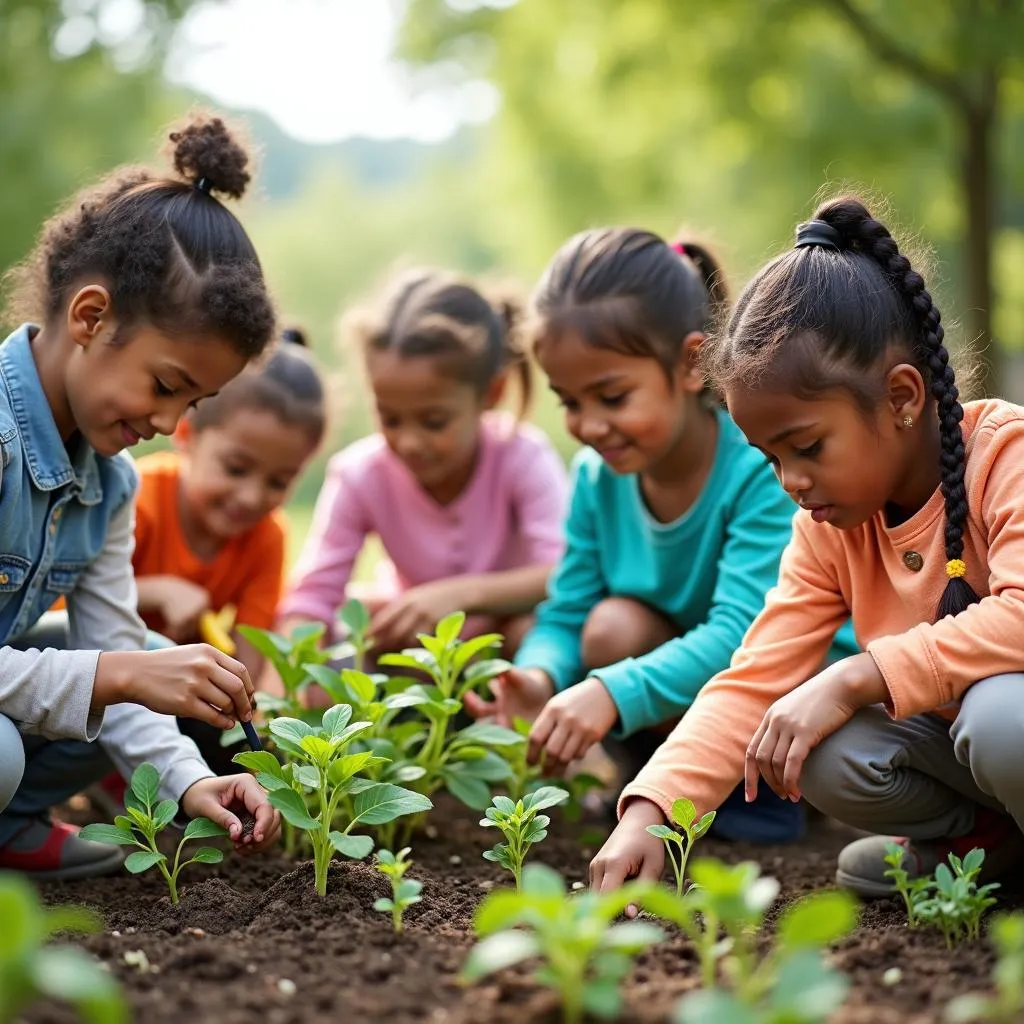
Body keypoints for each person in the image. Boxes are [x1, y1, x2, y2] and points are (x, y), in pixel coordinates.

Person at [591, 196, 1024, 900]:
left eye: (808, 447)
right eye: (770, 458)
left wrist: (855, 676)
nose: (792, 481)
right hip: (966, 754)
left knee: (1004, 717)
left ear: (903, 397)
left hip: (1007, 723)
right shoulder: (829, 525)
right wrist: (653, 810)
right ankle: (989, 845)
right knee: (811, 742)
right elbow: (755, 675)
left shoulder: (1004, 455)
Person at [467, 229, 853, 843]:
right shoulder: (598, 478)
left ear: (690, 365)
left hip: (793, 689)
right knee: (610, 626)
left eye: (612, 396)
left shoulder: (758, 466)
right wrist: (537, 676)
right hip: (688, 686)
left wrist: (610, 692)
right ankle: (666, 780)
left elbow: (744, 639)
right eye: (568, 401)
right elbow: (567, 611)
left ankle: (758, 793)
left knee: (627, 649)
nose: (589, 425)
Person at [0, 112, 282, 879]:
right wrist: (117, 675)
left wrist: (194, 781)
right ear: (90, 317)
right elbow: (111, 675)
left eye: (190, 405)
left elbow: (120, 654)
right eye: (164, 386)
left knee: (149, 658)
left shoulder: (108, 484)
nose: (165, 423)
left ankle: (13, 826)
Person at [279, 269, 568, 658]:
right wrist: (277, 694)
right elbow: (313, 597)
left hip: (502, 646)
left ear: (491, 393)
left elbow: (562, 572)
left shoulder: (521, 456)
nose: (410, 442)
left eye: (434, 421)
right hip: (415, 652)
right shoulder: (360, 474)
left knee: (530, 630)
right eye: (390, 418)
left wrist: (460, 595)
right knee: (353, 626)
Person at [130, 326, 325, 772]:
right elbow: (67, 612)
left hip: (177, 694)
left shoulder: (266, 536)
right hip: (106, 679)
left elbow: (248, 654)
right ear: (187, 432)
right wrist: (156, 590)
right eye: (236, 468)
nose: (252, 497)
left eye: (279, 481)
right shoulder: (139, 500)